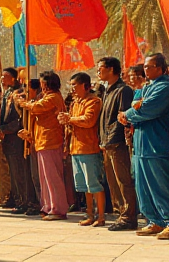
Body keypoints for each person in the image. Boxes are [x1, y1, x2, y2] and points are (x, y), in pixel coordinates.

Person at [119, 53, 169, 239]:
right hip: (140, 144)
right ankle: (154, 220)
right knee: (142, 186)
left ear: (161, 68)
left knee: (160, 186)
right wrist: (133, 110)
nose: (146, 70)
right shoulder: (146, 87)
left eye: (150, 66)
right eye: (145, 67)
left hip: (156, 144)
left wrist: (128, 114)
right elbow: (136, 105)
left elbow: (147, 109)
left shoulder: (164, 87)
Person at [16, 71, 68, 220]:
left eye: (43, 83)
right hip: (41, 141)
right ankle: (48, 206)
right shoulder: (45, 97)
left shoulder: (53, 97)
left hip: (51, 141)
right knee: (44, 178)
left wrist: (24, 102)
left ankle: (58, 208)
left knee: (53, 177)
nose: (41, 86)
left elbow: (37, 107)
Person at [95, 57, 138, 231]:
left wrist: (111, 139)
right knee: (113, 182)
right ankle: (121, 213)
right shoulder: (107, 90)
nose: (98, 72)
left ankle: (129, 216)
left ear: (112, 69)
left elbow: (122, 118)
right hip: (107, 142)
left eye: (101, 68)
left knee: (123, 181)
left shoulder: (123, 90)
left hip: (117, 143)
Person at [59, 72, 105, 227]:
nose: (72, 88)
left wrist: (70, 119)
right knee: (85, 185)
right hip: (76, 147)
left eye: (75, 85)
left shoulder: (94, 101)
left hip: (89, 147)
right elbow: (73, 122)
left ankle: (101, 216)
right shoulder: (75, 102)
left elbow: (88, 120)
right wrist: (66, 121)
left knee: (94, 183)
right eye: (71, 85)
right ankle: (90, 214)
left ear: (86, 86)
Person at [0, 68, 34, 215]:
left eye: (5, 76)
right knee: (12, 172)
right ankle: (15, 198)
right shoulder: (6, 93)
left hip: (17, 137)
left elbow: (21, 118)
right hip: (7, 139)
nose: (2, 78)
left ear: (13, 78)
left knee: (20, 172)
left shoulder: (20, 93)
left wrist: (6, 128)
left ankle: (25, 201)